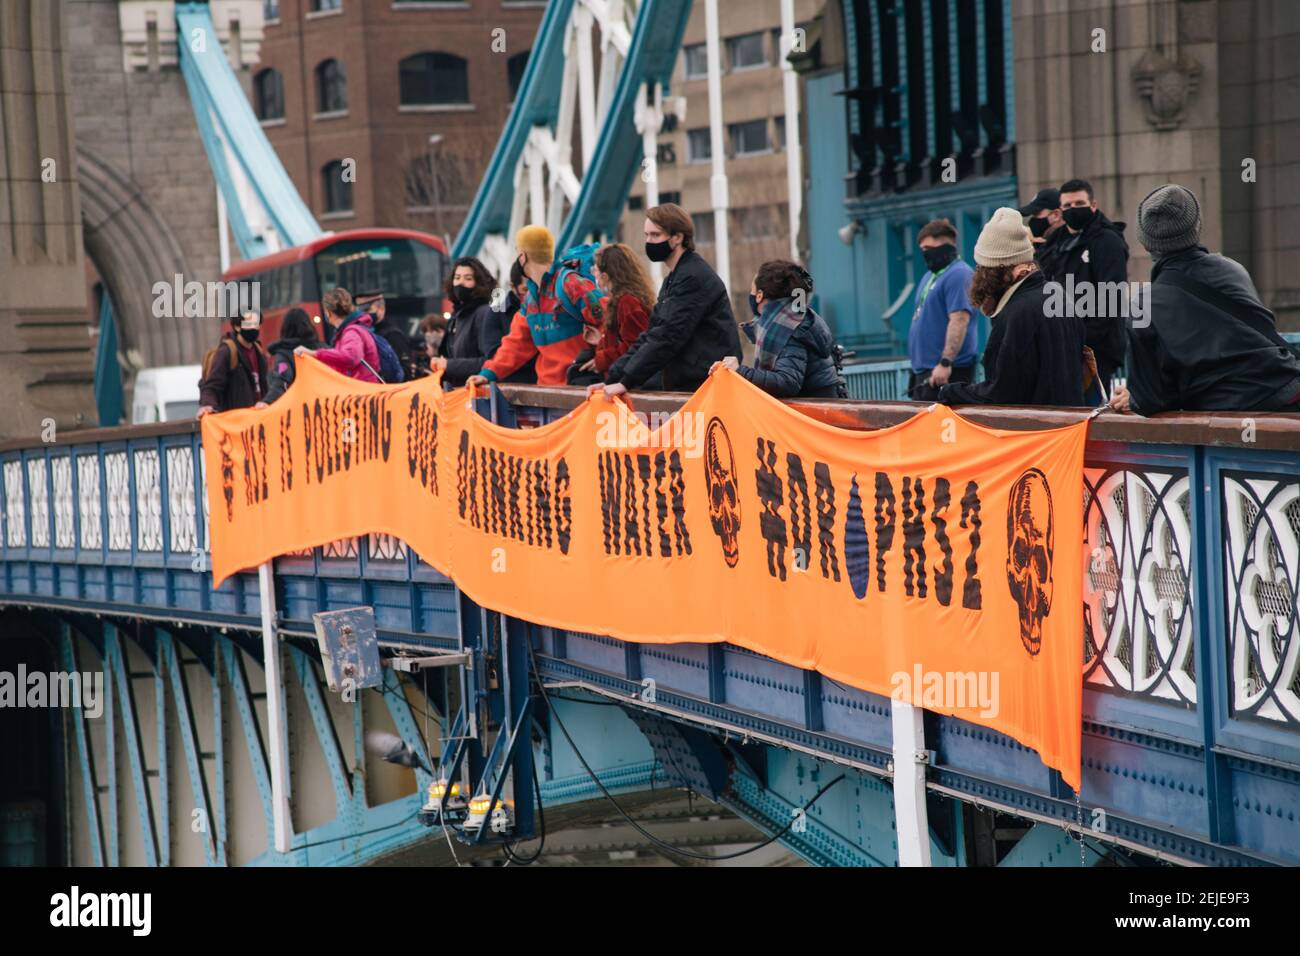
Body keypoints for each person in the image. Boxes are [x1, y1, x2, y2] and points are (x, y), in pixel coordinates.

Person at [1110, 184, 1300, 414]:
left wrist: (1135, 398)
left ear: (1145, 242)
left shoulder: (1144, 305)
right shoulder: (1232, 270)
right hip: (1289, 390)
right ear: (1197, 227)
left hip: (1233, 413)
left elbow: (1154, 399)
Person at [939, 208, 1086, 407]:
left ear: (1004, 268)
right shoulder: (1056, 293)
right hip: (1070, 423)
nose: (980, 276)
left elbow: (1002, 392)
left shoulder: (1018, 312)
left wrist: (953, 392)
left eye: (985, 268)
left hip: (1035, 429)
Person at [593, 204, 742, 398]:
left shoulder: (692, 277)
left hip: (707, 388)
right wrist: (614, 379)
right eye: (646, 235)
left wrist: (626, 381)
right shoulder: (675, 278)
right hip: (694, 388)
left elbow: (667, 336)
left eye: (655, 235)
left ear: (677, 238)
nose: (649, 241)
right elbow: (651, 334)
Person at [464, 225, 604, 389]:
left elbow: (515, 345)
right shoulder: (532, 298)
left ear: (522, 257)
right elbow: (516, 344)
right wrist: (487, 374)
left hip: (579, 389)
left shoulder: (569, 285)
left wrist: (602, 360)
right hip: (553, 392)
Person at [1042, 178, 1130, 390]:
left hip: (1094, 349)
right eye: (1068, 206)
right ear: (1060, 210)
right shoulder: (1056, 242)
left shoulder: (1107, 241)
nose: (1073, 210)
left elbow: (1112, 298)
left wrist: (1082, 339)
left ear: (1093, 205)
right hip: (1061, 345)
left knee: (1087, 410)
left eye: (1079, 204)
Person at [711, 260, 845, 399]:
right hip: (822, 407)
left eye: (752, 290)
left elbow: (788, 382)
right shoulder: (793, 317)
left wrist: (740, 371)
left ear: (759, 295)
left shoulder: (787, 327)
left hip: (815, 413)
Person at [906, 219, 979, 401]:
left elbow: (959, 320)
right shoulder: (930, 276)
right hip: (925, 371)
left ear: (947, 245)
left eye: (929, 249)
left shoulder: (959, 274)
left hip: (945, 371)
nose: (925, 254)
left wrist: (946, 362)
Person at [566, 243, 653, 386]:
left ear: (605, 276)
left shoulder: (627, 302)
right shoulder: (628, 299)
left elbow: (636, 346)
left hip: (629, 385)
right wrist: (601, 340)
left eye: (596, 270)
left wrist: (601, 360)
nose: (594, 273)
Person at [429, 257, 509, 387]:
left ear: (479, 283)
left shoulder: (484, 314)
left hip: (479, 396)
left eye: (468, 278)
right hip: (458, 394)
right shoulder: (457, 316)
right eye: (457, 277)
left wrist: (449, 365)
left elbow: (490, 361)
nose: (460, 283)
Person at [197, 310, 270, 417]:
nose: (253, 328)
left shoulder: (259, 352)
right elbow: (212, 385)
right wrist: (207, 405)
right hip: (236, 421)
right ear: (237, 327)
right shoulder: (227, 351)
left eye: (256, 324)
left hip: (258, 419)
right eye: (249, 324)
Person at [300, 287, 381, 383]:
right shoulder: (353, 329)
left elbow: (351, 357)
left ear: (328, 312)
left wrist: (315, 354)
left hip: (362, 392)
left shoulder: (352, 332)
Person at [261, 308, 319, 405]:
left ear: (285, 329)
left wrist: (267, 402)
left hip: (302, 409)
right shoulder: (323, 349)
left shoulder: (284, 355)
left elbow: (281, 380)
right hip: (326, 407)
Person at [356, 289, 410, 373]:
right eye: (360, 311)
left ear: (381, 309)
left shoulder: (393, 336)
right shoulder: (359, 334)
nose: (362, 315)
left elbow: (405, 372)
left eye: (367, 310)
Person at [1019, 186, 1065, 265]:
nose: (1032, 220)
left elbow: (1070, 275)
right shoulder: (1044, 246)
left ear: (1056, 215)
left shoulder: (1067, 246)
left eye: (1036, 214)